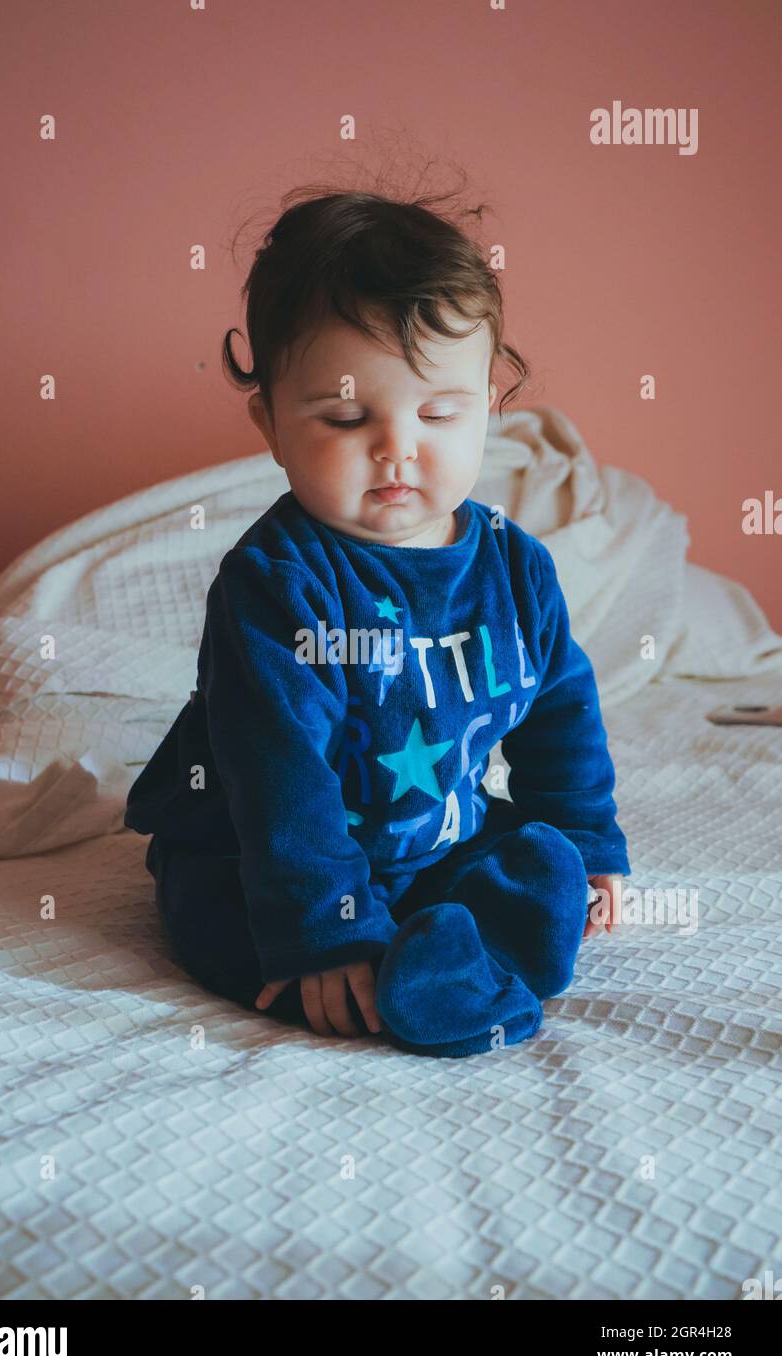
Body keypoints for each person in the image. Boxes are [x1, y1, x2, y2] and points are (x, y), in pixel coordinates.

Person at [124, 183, 630, 1058]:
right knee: (222, 917)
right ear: (272, 423)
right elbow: (279, 778)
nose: (399, 446)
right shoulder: (277, 585)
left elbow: (561, 714)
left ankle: (476, 934)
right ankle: (419, 984)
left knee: (533, 855)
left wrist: (588, 840)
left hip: (433, 836)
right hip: (266, 852)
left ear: (487, 404)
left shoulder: (515, 567)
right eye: (349, 416)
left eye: (439, 412)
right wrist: (328, 932)